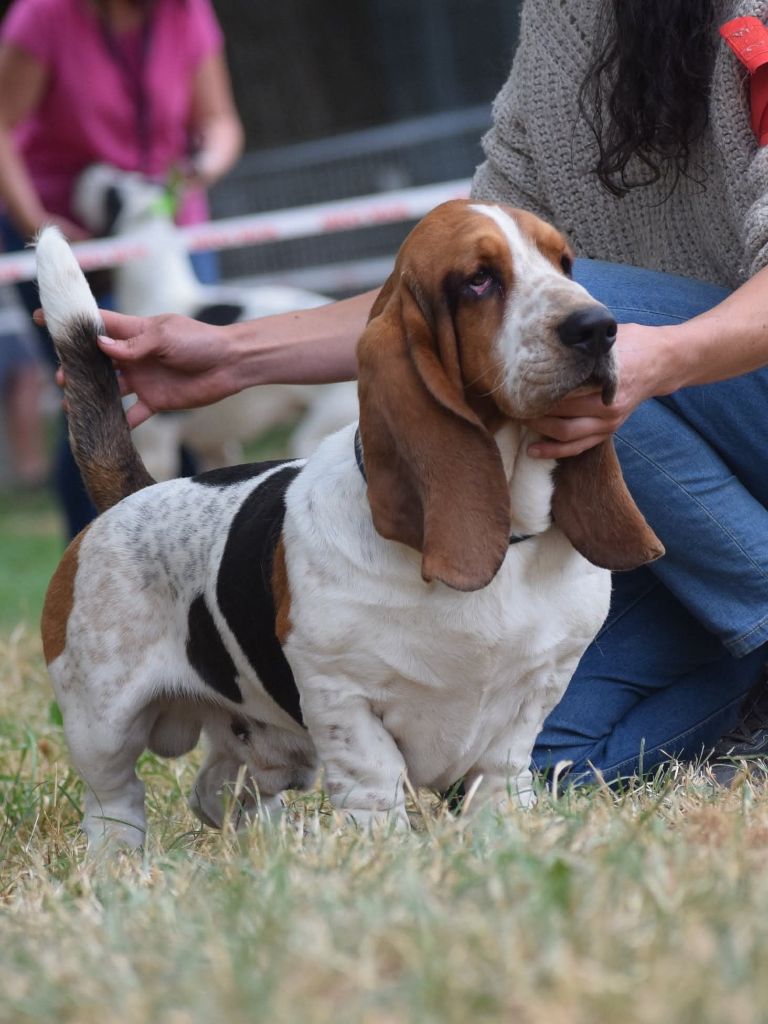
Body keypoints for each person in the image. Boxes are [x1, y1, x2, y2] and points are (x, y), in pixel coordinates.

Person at [60, 0, 768, 785]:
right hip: (670, 432)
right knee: (538, 764)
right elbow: (452, 279)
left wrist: (660, 357)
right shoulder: (562, 22)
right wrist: (232, 354)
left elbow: (540, 307)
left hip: (725, 391)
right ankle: (745, 689)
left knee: (575, 323)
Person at [0, 0, 243, 536]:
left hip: (166, 233)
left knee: (182, 399)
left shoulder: (188, 13)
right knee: (96, 402)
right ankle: (93, 563)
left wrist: (200, 168)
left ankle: (191, 557)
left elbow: (220, 121)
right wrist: (43, 229)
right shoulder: (42, 17)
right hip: (67, 231)